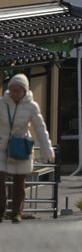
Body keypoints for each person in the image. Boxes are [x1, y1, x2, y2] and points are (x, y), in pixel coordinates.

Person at [1, 74, 54, 223]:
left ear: (25, 91)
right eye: (12, 90)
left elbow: (40, 128)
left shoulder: (31, 106)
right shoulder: (1, 104)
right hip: (1, 146)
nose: (14, 93)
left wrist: (47, 150)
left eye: (18, 90)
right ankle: (0, 211)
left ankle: (17, 213)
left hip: (21, 147)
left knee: (19, 183)